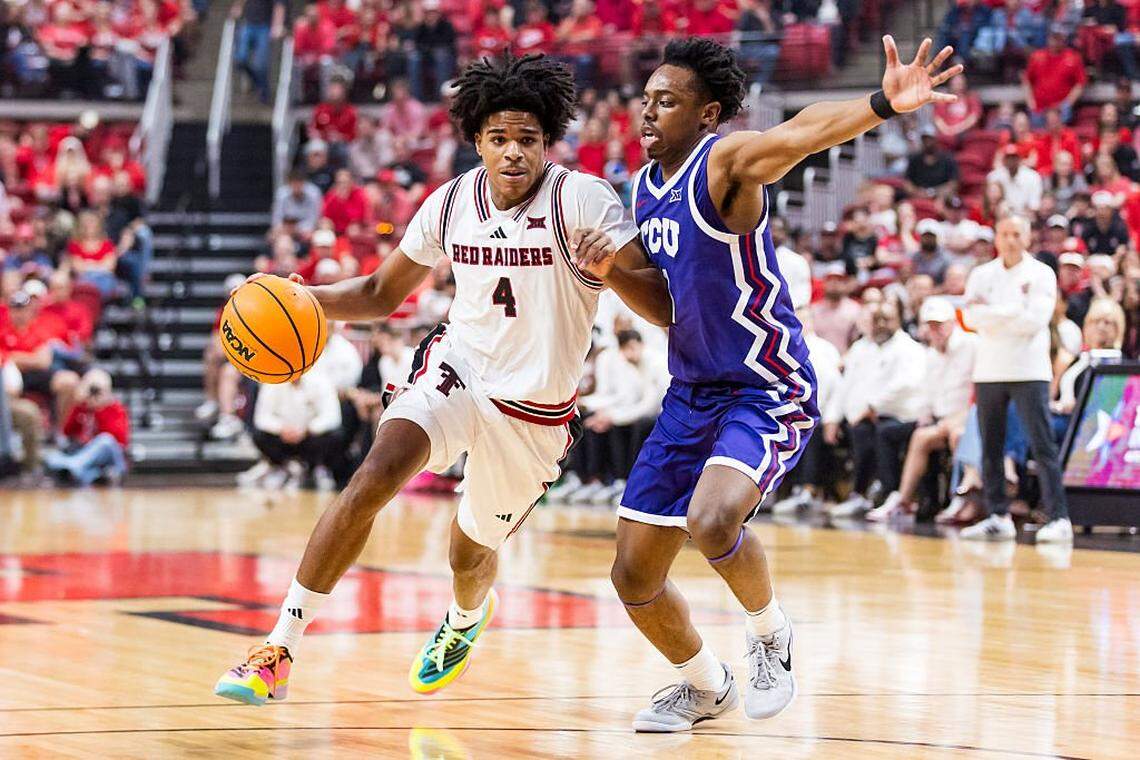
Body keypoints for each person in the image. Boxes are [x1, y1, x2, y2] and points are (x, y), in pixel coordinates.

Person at [214, 53, 670, 705]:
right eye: (498, 138)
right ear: (476, 140)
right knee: (373, 477)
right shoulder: (452, 201)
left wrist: (615, 271)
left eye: (528, 139)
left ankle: (463, 618)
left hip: (535, 410)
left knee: (469, 551)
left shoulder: (583, 200)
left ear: (548, 142)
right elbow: (378, 292)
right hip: (458, 369)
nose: (513, 152)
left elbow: (663, 307)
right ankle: (277, 648)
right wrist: (306, 296)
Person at [577, 35, 962, 732]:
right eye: (646, 100)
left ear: (708, 113)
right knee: (633, 575)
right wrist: (611, 273)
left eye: (668, 101)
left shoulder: (724, 161)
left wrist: (882, 103)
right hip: (692, 391)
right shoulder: (644, 191)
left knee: (712, 519)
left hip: (765, 386)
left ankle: (769, 633)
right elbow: (670, 308)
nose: (649, 112)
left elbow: (799, 135)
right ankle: (704, 685)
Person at [960, 215, 1072, 543]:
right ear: (997, 237)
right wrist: (1012, 311)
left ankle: (1059, 517)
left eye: (1016, 234)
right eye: (1005, 234)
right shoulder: (982, 274)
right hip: (989, 369)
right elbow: (969, 317)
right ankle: (997, 515)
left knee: (1042, 445)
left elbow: (1034, 321)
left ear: (1027, 238)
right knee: (990, 446)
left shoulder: (1041, 274)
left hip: (1030, 370)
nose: (1010, 240)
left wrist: (992, 314)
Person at [868, 297, 977, 520]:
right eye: (931, 325)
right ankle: (903, 499)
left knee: (958, 435)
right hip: (941, 419)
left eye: (939, 325)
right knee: (918, 435)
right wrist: (925, 416)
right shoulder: (931, 355)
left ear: (952, 323)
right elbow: (928, 394)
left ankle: (960, 499)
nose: (935, 330)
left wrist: (961, 417)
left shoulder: (972, 346)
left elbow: (978, 392)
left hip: (969, 419)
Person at [825, 301, 926, 518]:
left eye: (887, 319)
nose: (881, 324)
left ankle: (888, 493)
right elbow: (844, 385)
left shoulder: (910, 349)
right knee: (852, 429)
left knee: (880, 431)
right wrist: (832, 418)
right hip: (865, 415)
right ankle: (859, 495)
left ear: (899, 320)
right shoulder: (862, 347)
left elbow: (906, 385)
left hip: (902, 414)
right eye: (877, 319)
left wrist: (872, 407)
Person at [43, 369, 130, 486]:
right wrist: (78, 405)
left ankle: (73, 466)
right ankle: (94, 476)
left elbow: (118, 440)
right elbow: (67, 431)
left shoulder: (115, 408)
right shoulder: (82, 407)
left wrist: (100, 410)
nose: (94, 394)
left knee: (105, 440)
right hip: (87, 456)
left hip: (110, 457)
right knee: (52, 457)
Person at [1022, 26, 1086, 126]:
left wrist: (1068, 104)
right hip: (1039, 109)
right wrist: (1031, 103)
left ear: (1064, 39)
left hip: (1061, 111)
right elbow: (1026, 81)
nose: (1055, 42)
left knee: (1060, 139)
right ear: (1048, 38)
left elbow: (1080, 83)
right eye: (1053, 38)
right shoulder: (1037, 56)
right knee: (1038, 138)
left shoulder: (1073, 58)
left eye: (1058, 38)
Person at [230, 0, 286, 103]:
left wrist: (277, 25)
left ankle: (264, 91)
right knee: (239, 59)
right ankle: (256, 81)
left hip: (264, 27)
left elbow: (279, 6)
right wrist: (237, 7)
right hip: (248, 24)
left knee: (260, 65)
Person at [987, 145, 1043, 215]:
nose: (1011, 161)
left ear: (1020, 159)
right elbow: (989, 204)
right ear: (1003, 160)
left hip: (1025, 217)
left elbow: (1034, 205)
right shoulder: (994, 176)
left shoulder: (1032, 176)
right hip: (1000, 217)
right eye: (1008, 158)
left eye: (1014, 158)